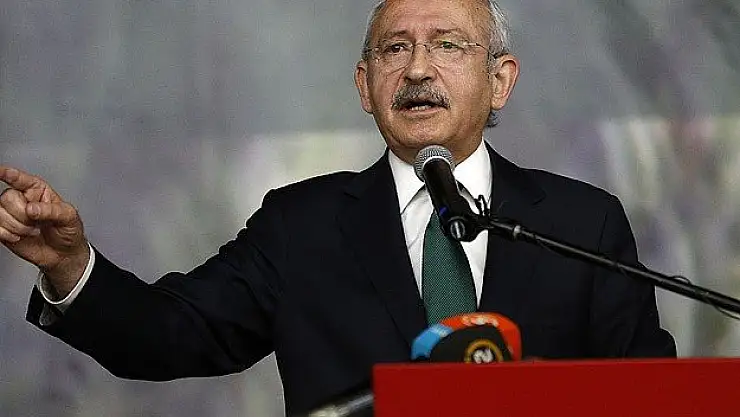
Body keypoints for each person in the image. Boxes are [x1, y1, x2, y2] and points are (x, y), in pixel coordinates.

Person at [0, 0, 675, 414]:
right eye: (394, 49)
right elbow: (168, 334)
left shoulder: (581, 222)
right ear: (364, 85)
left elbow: (650, 397)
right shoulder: (301, 227)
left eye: (446, 44)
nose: (417, 69)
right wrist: (69, 265)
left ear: (500, 80)